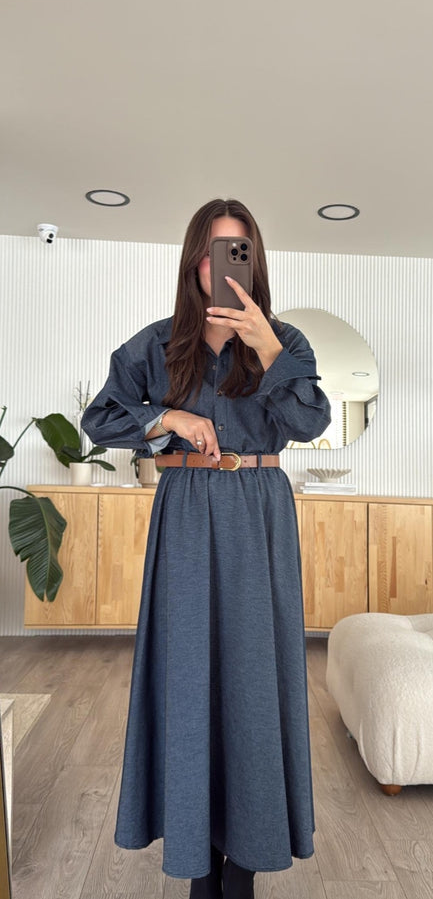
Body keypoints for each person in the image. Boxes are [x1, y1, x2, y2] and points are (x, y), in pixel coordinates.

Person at [82, 198, 331, 899]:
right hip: (187, 509)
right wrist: (168, 416)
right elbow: (100, 417)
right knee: (187, 676)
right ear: (194, 260)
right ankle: (197, 861)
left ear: (253, 261)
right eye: (212, 250)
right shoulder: (158, 344)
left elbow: (311, 421)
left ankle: (245, 860)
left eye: (237, 250)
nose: (222, 265)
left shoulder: (285, 341)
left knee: (253, 679)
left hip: (258, 514)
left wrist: (267, 347)